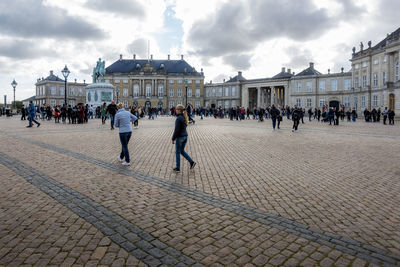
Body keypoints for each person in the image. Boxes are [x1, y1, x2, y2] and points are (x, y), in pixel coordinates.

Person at [172, 105, 196, 172]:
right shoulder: (184, 117)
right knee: (181, 151)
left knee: (177, 152)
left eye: (176, 109)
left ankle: (178, 168)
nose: (175, 111)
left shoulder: (178, 118)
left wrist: (173, 138)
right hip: (185, 136)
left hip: (179, 137)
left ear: (179, 110)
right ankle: (191, 162)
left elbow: (176, 130)